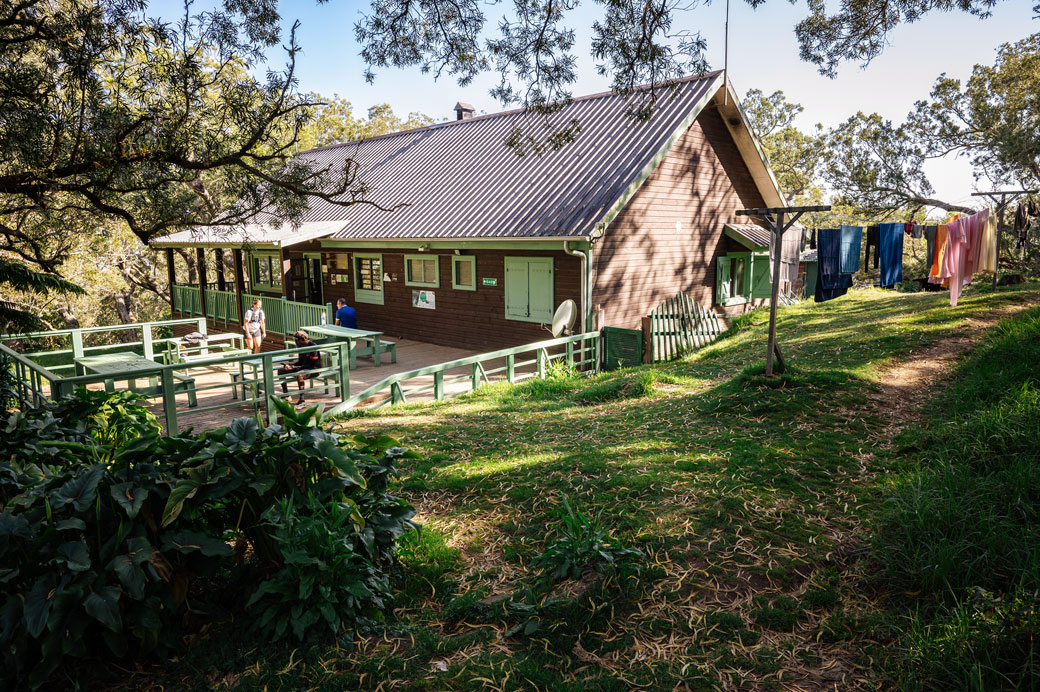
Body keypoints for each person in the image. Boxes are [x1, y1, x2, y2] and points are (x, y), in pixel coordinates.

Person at [278, 331, 321, 406]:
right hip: (303, 367)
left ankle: (302, 399)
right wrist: (291, 365)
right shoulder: (300, 347)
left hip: (314, 369)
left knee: (299, 375)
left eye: (296, 340)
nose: (295, 342)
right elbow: (300, 361)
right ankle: (286, 395)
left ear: (302, 340)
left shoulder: (313, 346)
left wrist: (296, 367)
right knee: (281, 370)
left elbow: (311, 364)